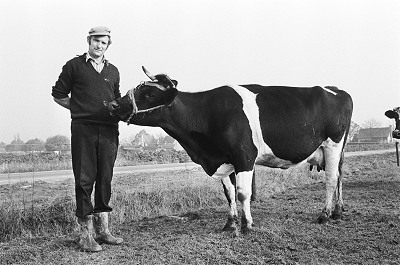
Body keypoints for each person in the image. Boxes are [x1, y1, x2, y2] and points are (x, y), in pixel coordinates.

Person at [52, 26, 123, 252]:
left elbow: (117, 99)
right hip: (84, 130)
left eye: (103, 43)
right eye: (95, 41)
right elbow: (58, 94)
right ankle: (85, 235)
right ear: (88, 41)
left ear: (108, 45)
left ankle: (103, 232)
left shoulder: (113, 71)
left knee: (105, 179)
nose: (98, 46)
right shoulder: (73, 66)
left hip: (110, 131)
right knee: (84, 180)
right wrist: (81, 108)